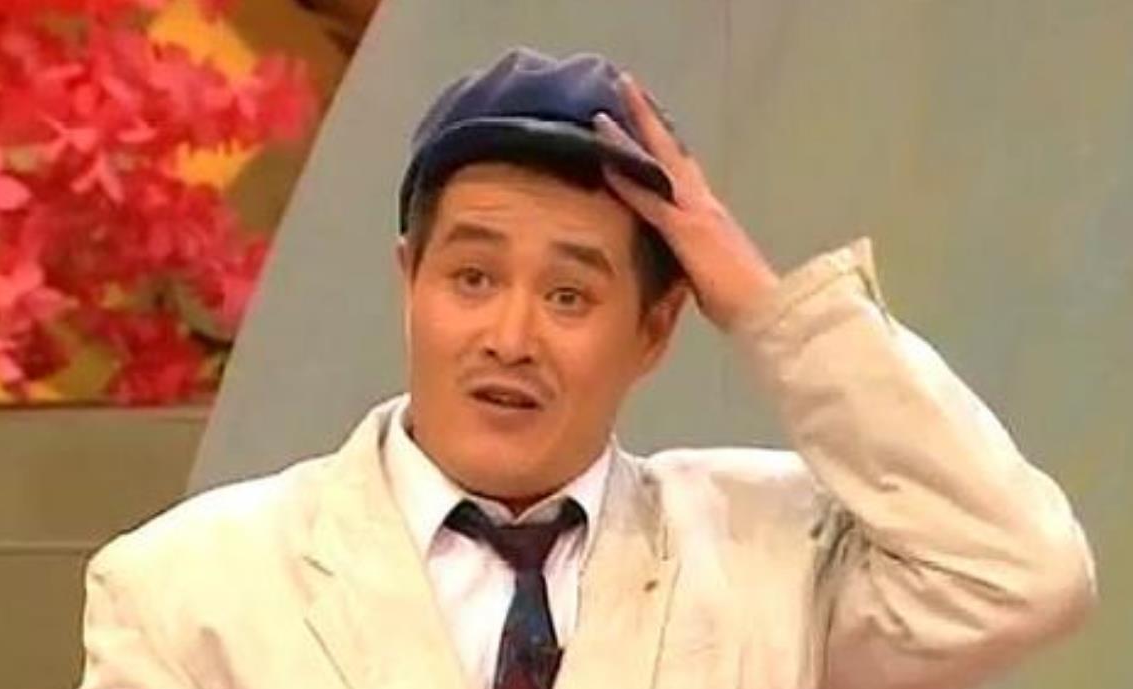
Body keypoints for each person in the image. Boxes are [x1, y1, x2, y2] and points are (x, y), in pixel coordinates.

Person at [76, 47, 1096, 689]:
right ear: (408, 283)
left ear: (654, 329)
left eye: (569, 295)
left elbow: (1019, 573)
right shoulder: (189, 587)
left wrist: (761, 305)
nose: (510, 335)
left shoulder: (767, 558)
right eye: (472, 277)